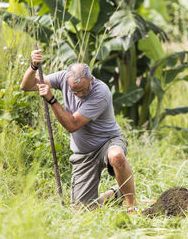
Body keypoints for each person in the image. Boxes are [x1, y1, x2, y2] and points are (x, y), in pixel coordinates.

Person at [20, 49, 136, 211]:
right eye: (75, 91)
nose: (80, 94)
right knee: (83, 210)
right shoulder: (62, 77)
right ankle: (117, 194)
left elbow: (72, 125)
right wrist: (33, 66)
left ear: (91, 80)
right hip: (83, 153)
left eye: (83, 90)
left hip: (107, 142)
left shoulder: (101, 92)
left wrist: (51, 99)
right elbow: (26, 86)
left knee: (116, 156)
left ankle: (132, 207)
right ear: (67, 81)